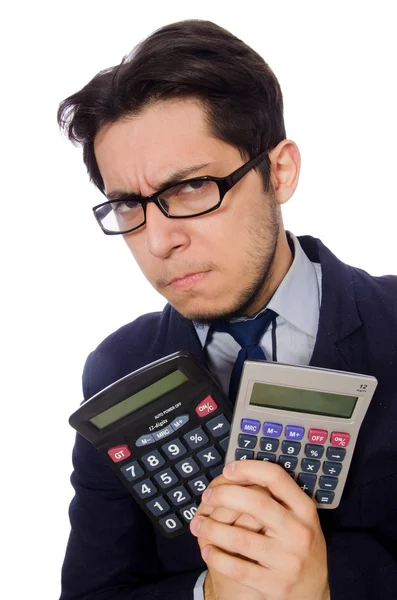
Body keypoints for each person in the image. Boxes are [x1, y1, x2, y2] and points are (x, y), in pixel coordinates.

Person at [57, 19, 397, 600]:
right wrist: (212, 593)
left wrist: (327, 583)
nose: (160, 241)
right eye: (128, 205)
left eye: (190, 188)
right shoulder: (117, 368)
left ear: (280, 172)